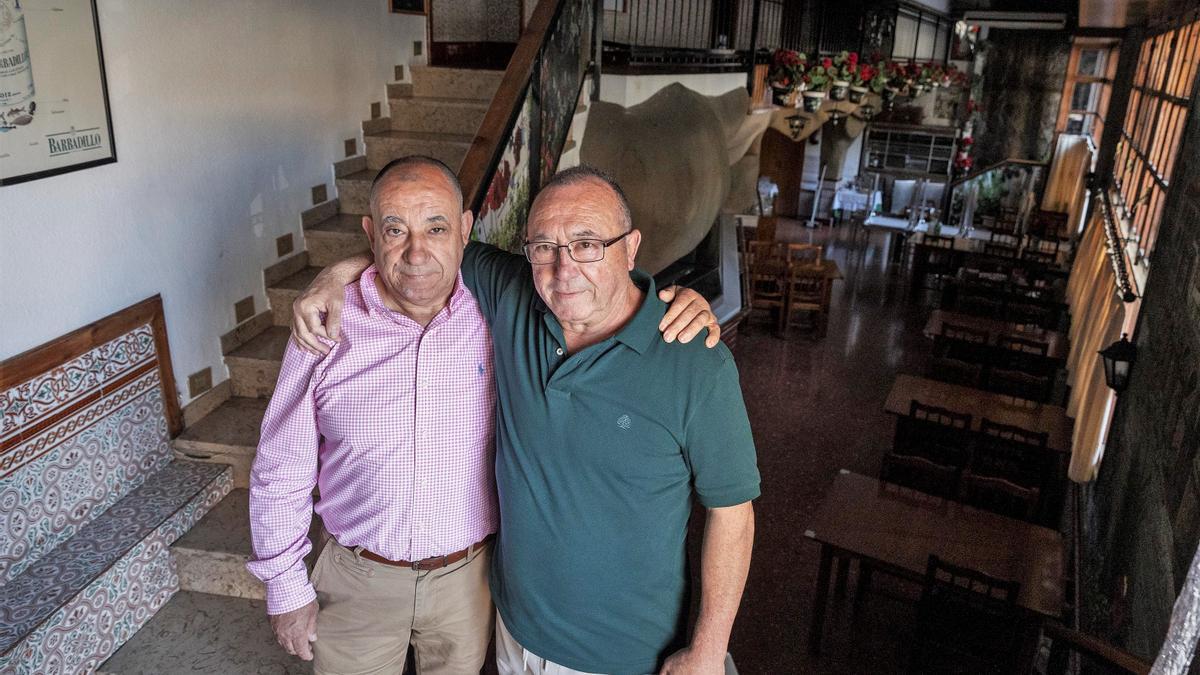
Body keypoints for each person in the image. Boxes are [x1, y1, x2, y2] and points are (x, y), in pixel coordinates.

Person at [253, 157, 718, 674]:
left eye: (436, 227)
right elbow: (281, 466)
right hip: (357, 578)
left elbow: (598, 283)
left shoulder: (498, 306)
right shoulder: (325, 324)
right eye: (394, 229)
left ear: (466, 231)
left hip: (470, 583)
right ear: (371, 234)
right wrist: (285, 586)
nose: (417, 251)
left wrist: (673, 302)